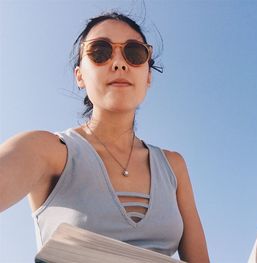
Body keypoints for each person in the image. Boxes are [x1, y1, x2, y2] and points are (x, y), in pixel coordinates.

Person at [0, 11, 210, 262]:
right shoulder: (47, 150)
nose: (119, 63)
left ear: (148, 76)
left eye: (134, 53)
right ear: (79, 75)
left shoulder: (174, 166)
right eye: (100, 52)